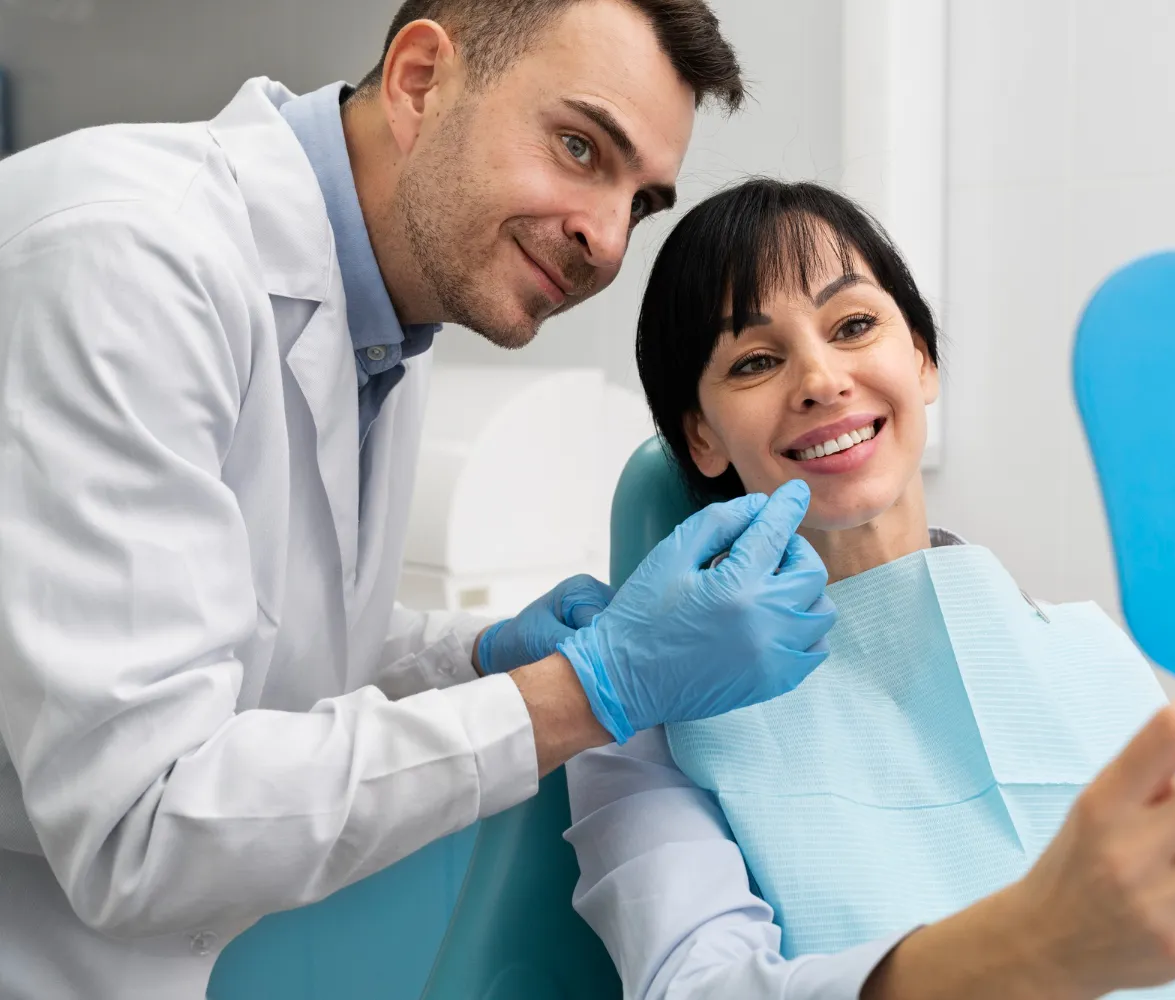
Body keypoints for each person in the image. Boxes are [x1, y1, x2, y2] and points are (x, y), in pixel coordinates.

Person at [0, 4, 840, 997]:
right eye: (579, 146)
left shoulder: (387, 322)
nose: (608, 243)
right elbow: (141, 822)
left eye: (641, 202)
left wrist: (474, 655)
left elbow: (240, 630)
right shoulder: (132, 260)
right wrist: (588, 692)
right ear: (418, 80)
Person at [565, 179, 1175, 999]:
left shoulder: (1092, 654)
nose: (821, 380)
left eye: (854, 324)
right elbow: (698, 989)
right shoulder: (638, 730)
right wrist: (1038, 939)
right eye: (755, 360)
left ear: (922, 360)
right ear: (701, 435)